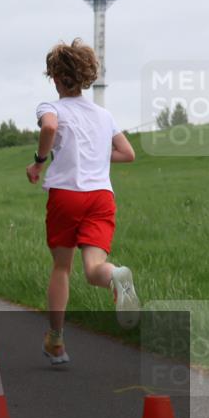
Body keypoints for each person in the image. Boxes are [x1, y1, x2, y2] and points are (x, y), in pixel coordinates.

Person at [26, 38, 140, 366]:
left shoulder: (51, 108)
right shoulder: (103, 114)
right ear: (86, 76)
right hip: (102, 198)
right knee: (94, 269)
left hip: (67, 196)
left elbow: (49, 126)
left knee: (62, 268)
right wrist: (94, 154)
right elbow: (127, 154)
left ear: (56, 77)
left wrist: (39, 160)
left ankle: (56, 342)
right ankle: (116, 274)